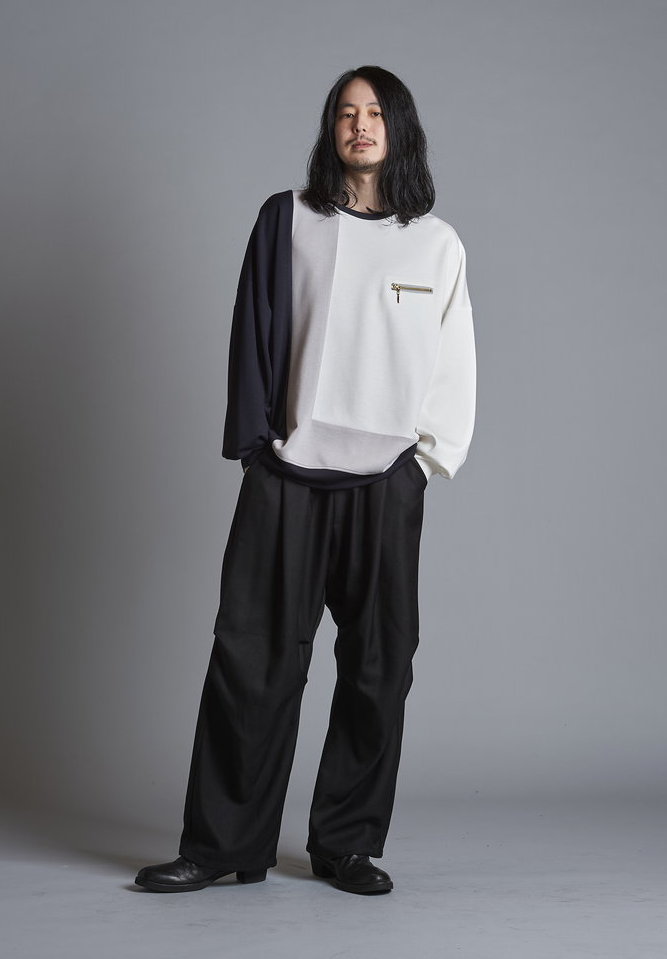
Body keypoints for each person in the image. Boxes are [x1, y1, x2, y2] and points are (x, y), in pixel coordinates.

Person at [135, 65, 475, 896]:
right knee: (250, 659)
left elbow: (453, 363)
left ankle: (346, 844)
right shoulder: (287, 219)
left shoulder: (436, 243)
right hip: (287, 474)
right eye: (345, 112)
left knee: (379, 667)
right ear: (331, 129)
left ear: (399, 127)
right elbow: (251, 330)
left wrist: (423, 463)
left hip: (385, 481)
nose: (359, 125)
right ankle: (223, 846)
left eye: (375, 112)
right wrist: (257, 448)